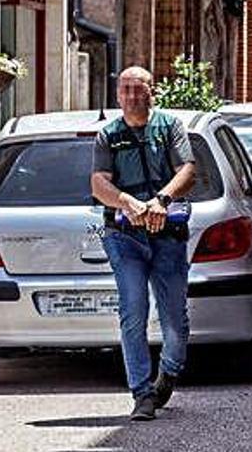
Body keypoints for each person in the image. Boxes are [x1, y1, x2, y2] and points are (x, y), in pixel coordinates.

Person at [91, 66, 196, 421]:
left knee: (174, 321)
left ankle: (168, 371)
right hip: (125, 237)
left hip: (167, 235)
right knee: (133, 310)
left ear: (153, 92)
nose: (132, 96)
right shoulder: (108, 136)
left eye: (139, 89)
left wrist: (160, 201)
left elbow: (187, 171)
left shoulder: (170, 127)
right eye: (125, 90)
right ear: (117, 95)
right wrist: (127, 202)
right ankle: (142, 393)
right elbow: (98, 184)